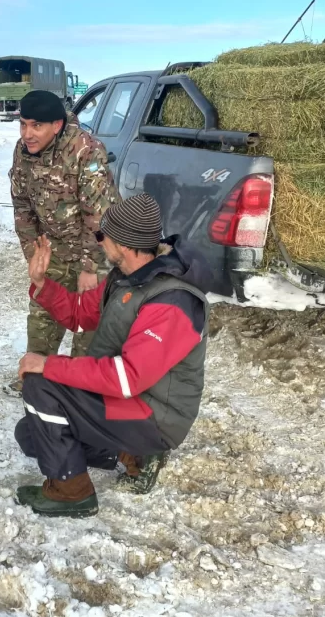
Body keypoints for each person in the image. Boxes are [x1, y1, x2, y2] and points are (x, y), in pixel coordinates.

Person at [14, 193, 213, 517]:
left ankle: (71, 493)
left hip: (154, 416)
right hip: (125, 400)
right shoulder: (125, 280)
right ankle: (132, 455)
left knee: (41, 386)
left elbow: (127, 378)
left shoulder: (173, 301)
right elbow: (80, 314)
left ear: (122, 244)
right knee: (30, 435)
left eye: (101, 235)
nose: (98, 241)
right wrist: (41, 284)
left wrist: (50, 365)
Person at [5, 90, 118, 397]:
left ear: (56, 125)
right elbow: (22, 205)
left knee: (89, 324)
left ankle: (83, 389)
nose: (27, 134)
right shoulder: (23, 151)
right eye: (23, 124)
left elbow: (99, 215)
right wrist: (33, 253)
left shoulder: (86, 150)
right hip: (52, 247)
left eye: (36, 126)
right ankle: (35, 378)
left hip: (93, 249)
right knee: (42, 314)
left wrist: (89, 267)